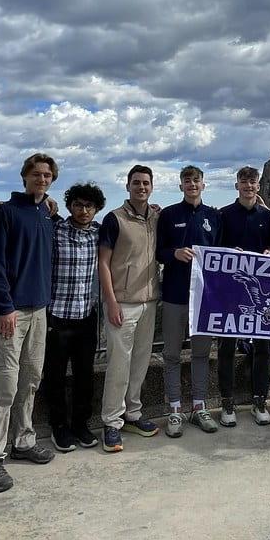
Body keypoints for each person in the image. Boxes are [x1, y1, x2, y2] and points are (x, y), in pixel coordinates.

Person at [0, 153, 59, 493]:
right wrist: (6, 307)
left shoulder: (46, 213)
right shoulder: (6, 213)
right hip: (11, 312)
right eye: (37, 174)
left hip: (39, 310)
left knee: (30, 379)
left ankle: (23, 440)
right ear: (25, 176)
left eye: (47, 175)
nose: (42, 179)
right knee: (4, 383)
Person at [97, 165, 161, 452]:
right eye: (136, 183)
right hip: (122, 303)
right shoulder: (115, 219)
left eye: (146, 183)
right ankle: (111, 421)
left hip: (149, 301)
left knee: (140, 363)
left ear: (152, 186)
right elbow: (104, 263)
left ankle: (132, 413)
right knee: (119, 365)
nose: (141, 187)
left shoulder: (156, 217)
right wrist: (110, 301)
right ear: (127, 186)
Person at [156, 165, 222, 437]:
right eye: (187, 180)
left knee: (200, 355)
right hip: (174, 296)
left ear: (203, 185)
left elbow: (222, 253)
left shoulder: (214, 216)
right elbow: (158, 252)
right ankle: (174, 410)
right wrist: (174, 253)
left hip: (204, 299)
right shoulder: (169, 215)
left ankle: (199, 406)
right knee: (171, 354)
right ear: (181, 185)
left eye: (196, 180)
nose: (192, 184)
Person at [43, 182, 106, 453]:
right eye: (78, 205)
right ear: (70, 206)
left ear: (96, 209)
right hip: (57, 315)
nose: (83, 210)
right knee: (55, 376)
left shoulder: (100, 234)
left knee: (84, 375)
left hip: (86, 315)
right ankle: (59, 427)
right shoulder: (56, 229)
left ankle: (81, 423)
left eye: (89, 206)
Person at [217, 166, 270, 426]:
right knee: (227, 347)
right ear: (237, 185)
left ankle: (259, 400)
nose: (248, 185)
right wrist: (231, 251)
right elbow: (215, 249)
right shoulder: (223, 215)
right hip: (231, 292)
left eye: (252, 181)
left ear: (258, 186)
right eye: (244, 181)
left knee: (263, 347)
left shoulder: (268, 216)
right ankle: (227, 403)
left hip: (259, 294)